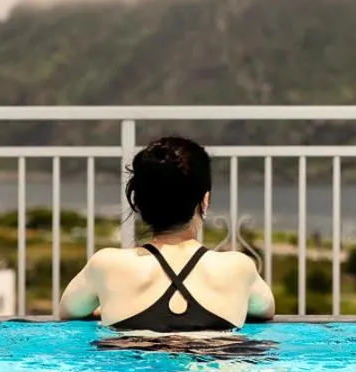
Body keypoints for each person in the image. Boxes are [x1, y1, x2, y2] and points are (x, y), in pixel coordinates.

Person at [59, 136, 275, 332]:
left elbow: (69, 311)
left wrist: (107, 308)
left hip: (135, 368)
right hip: (217, 367)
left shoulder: (106, 264)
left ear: (138, 202)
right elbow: (265, 310)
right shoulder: (238, 267)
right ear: (205, 201)